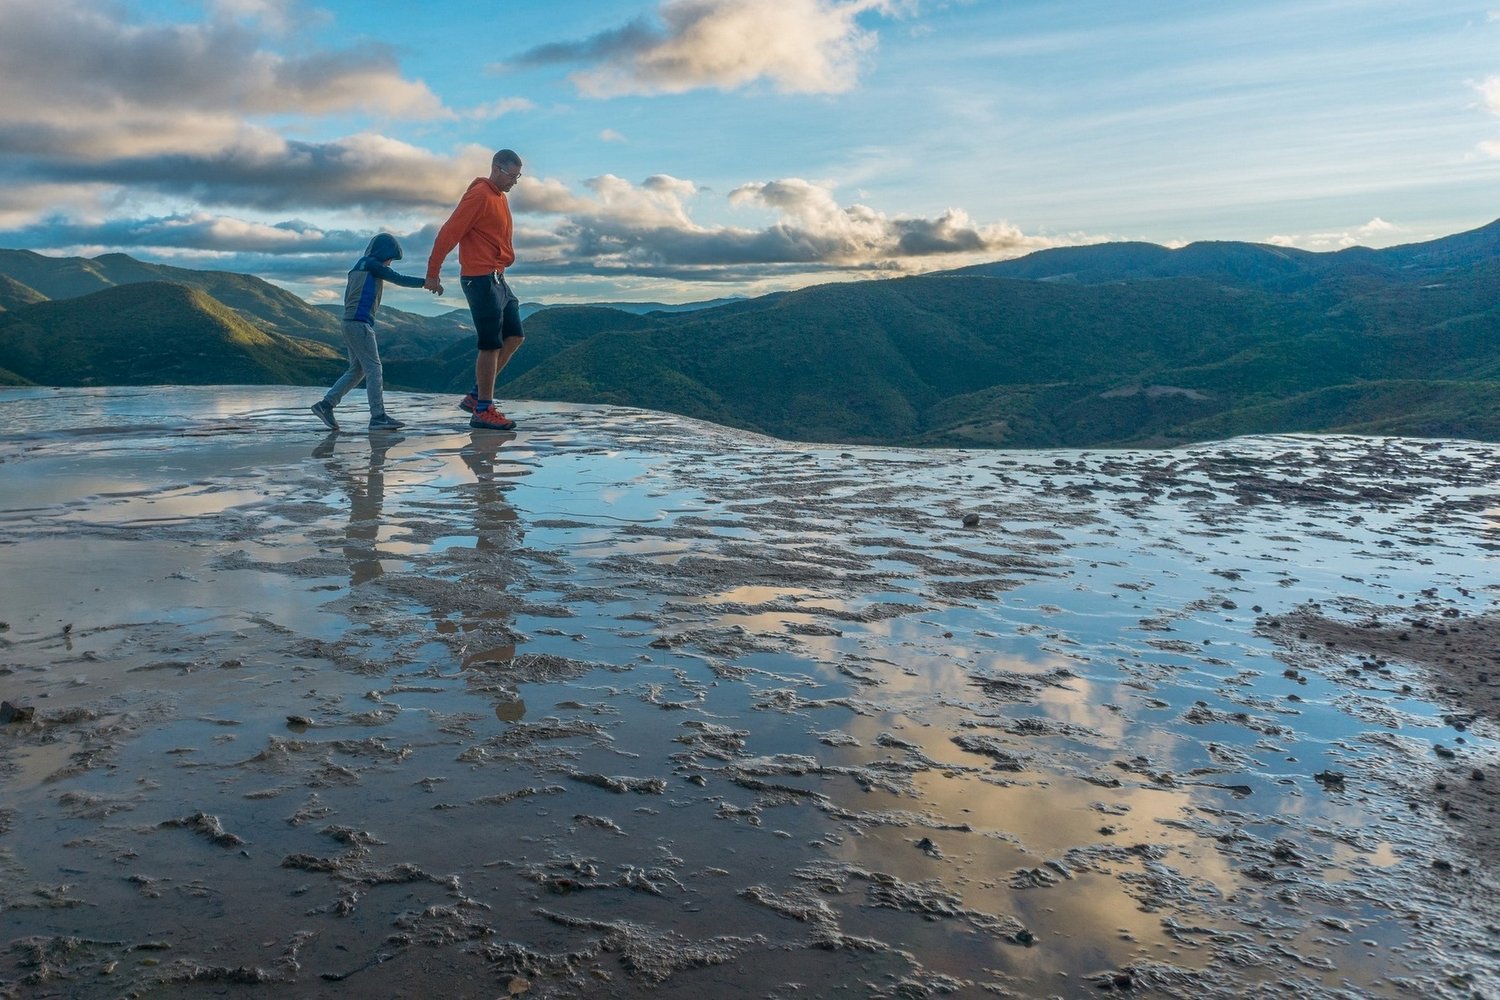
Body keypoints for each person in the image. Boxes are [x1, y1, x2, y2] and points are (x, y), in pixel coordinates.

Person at [425, 148, 526, 431]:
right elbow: (449, 232)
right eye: (512, 176)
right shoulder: (479, 195)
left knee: (515, 335)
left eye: (519, 177)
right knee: (490, 343)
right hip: (479, 277)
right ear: (497, 168)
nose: (514, 182)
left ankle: (475, 396)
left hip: (497, 277)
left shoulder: (500, 198)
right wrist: (433, 273)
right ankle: (483, 408)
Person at [311, 232, 435, 432]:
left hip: (348, 323)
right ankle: (378, 417)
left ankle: (326, 405)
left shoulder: (357, 267)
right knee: (374, 369)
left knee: (357, 370)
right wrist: (426, 282)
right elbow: (398, 279)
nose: (390, 263)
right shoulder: (372, 265)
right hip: (360, 324)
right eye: (390, 258)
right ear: (383, 253)